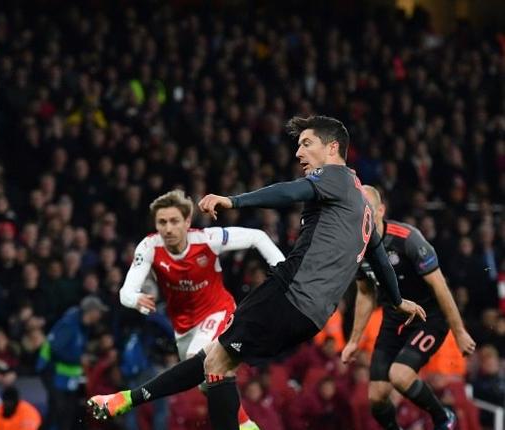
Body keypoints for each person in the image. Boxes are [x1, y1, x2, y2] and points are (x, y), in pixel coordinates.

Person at [88, 115, 427, 430]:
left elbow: (290, 191)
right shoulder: (362, 205)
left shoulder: (335, 177)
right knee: (215, 359)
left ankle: (131, 400)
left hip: (288, 294)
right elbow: (380, 256)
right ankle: (128, 399)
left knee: (216, 367)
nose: (298, 152)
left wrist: (234, 201)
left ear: (333, 147)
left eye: (307, 143)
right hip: (310, 317)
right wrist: (397, 300)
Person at [116, 189, 285, 429]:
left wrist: (282, 269)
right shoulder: (149, 247)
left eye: (174, 221)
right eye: (162, 222)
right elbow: (125, 293)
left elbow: (257, 236)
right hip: (184, 326)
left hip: (218, 311)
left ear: (187, 222)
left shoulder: (207, 239)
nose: (168, 229)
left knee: (204, 362)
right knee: (206, 383)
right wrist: (135, 299)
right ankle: (246, 424)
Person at [341, 185, 476, 429]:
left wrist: (459, 332)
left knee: (400, 375)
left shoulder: (408, 239)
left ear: (380, 210)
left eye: (368, 210)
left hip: (429, 317)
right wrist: (354, 341)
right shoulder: (357, 249)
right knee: (376, 398)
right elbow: (365, 293)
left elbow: (441, 288)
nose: (364, 217)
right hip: (395, 318)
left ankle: (443, 417)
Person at [38, 295, 108, 430]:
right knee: (58, 410)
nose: (100, 316)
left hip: (67, 375)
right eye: (99, 312)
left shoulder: (83, 325)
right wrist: (79, 359)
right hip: (52, 370)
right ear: (91, 312)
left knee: (68, 411)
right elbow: (56, 349)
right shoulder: (69, 324)